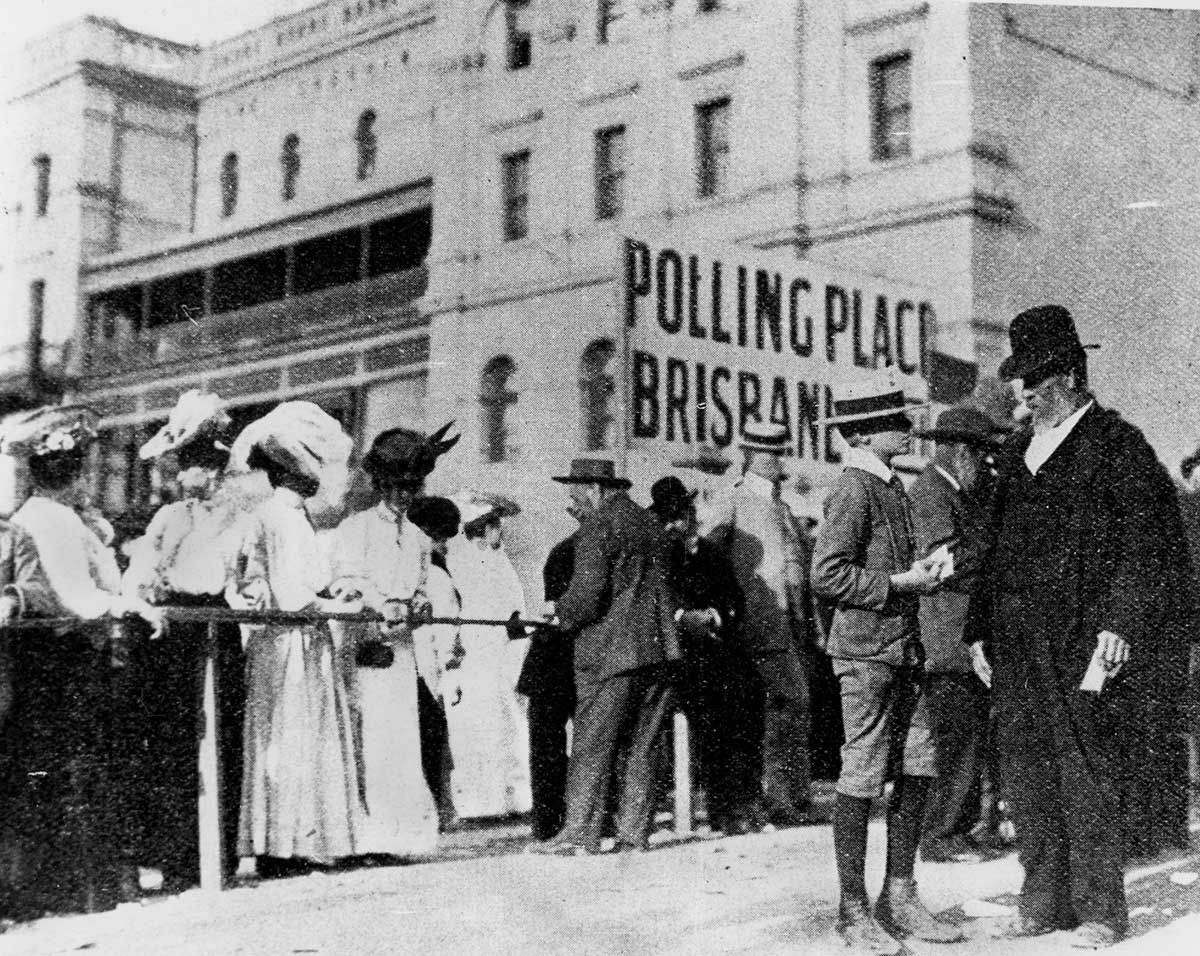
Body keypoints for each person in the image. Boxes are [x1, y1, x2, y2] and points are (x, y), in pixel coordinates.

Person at [976, 305, 1194, 948]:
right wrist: (976, 628)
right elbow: (991, 547)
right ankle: (1043, 899)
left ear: (1069, 374)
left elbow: (1149, 548)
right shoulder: (1017, 453)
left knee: (1085, 770)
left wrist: (1122, 621)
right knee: (1027, 771)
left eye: (1036, 378)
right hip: (1017, 642)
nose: (1024, 391)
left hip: (1084, 639)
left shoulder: (1118, 446)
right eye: (1020, 378)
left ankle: (1101, 908)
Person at [812, 384, 963, 954]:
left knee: (918, 764)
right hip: (866, 654)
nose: (906, 428)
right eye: (893, 421)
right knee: (863, 773)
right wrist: (899, 583)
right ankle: (852, 910)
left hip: (903, 651)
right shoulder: (854, 488)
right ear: (861, 435)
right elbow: (826, 575)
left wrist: (921, 570)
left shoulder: (888, 486)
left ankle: (898, 895)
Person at [3, 405, 162, 914]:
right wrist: (126, 603)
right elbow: (75, 593)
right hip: (61, 658)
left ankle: (68, 886)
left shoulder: (63, 517)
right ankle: (71, 889)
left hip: (64, 656)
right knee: (70, 770)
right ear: (69, 470)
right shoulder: (48, 519)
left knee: (67, 770)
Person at [227, 402, 364, 874]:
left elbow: (309, 582)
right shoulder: (279, 517)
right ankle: (284, 845)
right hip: (288, 644)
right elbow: (290, 595)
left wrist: (338, 587)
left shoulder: (295, 516)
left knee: (303, 736)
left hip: (302, 643)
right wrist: (340, 605)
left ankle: (298, 840)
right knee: (291, 737)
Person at [123, 390, 247, 885]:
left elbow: (235, 573)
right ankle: (174, 855)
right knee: (173, 738)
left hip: (216, 622)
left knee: (222, 734)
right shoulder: (168, 517)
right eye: (183, 466)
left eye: (192, 466)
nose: (183, 476)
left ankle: (213, 854)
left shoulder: (238, 515)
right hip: (174, 629)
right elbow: (141, 569)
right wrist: (144, 585)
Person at [530, 458, 680, 856]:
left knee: (593, 743)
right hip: (661, 651)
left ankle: (579, 833)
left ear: (595, 489)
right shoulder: (651, 525)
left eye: (576, 494)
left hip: (612, 653)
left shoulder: (599, 526)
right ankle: (633, 835)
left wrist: (558, 613)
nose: (574, 501)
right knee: (643, 746)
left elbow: (587, 597)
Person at [327, 425, 458, 858]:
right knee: (371, 739)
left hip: (402, 654)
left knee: (401, 739)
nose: (404, 496)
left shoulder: (419, 538)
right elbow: (347, 582)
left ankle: (401, 834)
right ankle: (371, 834)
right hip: (366, 648)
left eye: (411, 488)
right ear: (381, 485)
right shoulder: (355, 529)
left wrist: (418, 604)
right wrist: (378, 605)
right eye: (396, 487)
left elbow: (421, 585)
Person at [701, 420, 814, 828]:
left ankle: (789, 797)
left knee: (792, 708)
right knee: (774, 710)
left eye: (779, 452)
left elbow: (797, 568)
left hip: (790, 624)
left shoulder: (783, 507)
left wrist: (807, 620)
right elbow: (710, 559)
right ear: (748, 455)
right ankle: (778, 799)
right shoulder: (732, 500)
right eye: (766, 453)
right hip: (753, 628)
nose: (775, 460)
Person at [908, 406, 1001, 865]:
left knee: (967, 737)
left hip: (961, 639)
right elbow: (943, 562)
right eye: (983, 457)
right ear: (963, 452)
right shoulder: (931, 493)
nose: (988, 468)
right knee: (955, 740)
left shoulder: (952, 493)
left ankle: (957, 828)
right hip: (947, 640)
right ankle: (943, 834)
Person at [649, 475, 757, 836]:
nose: (681, 521)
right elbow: (655, 602)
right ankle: (656, 811)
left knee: (721, 734)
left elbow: (734, 601)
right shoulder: (657, 553)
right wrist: (683, 618)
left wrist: (713, 615)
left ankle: (724, 811)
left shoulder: (712, 554)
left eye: (686, 512)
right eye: (674, 515)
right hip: (672, 659)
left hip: (713, 659)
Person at [444, 491, 531, 819]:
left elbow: (513, 607)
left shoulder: (499, 561)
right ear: (480, 527)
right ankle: (480, 803)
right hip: (476, 650)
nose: (499, 531)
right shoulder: (462, 562)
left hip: (503, 651)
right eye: (493, 524)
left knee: (508, 722)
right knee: (475, 727)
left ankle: (514, 797)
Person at [517, 512, 579, 841]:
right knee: (553, 747)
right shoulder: (577, 552)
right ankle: (556, 822)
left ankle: (548, 823)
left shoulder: (563, 550)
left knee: (546, 749)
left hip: (550, 659)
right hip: (561, 660)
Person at [407, 495, 466, 832]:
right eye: (439, 538)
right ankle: (439, 808)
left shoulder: (419, 573)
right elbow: (447, 629)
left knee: (427, 738)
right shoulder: (436, 577)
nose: (443, 546)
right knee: (432, 738)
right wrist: (450, 667)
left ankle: (437, 807)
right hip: (426, 663)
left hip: (418, 662)